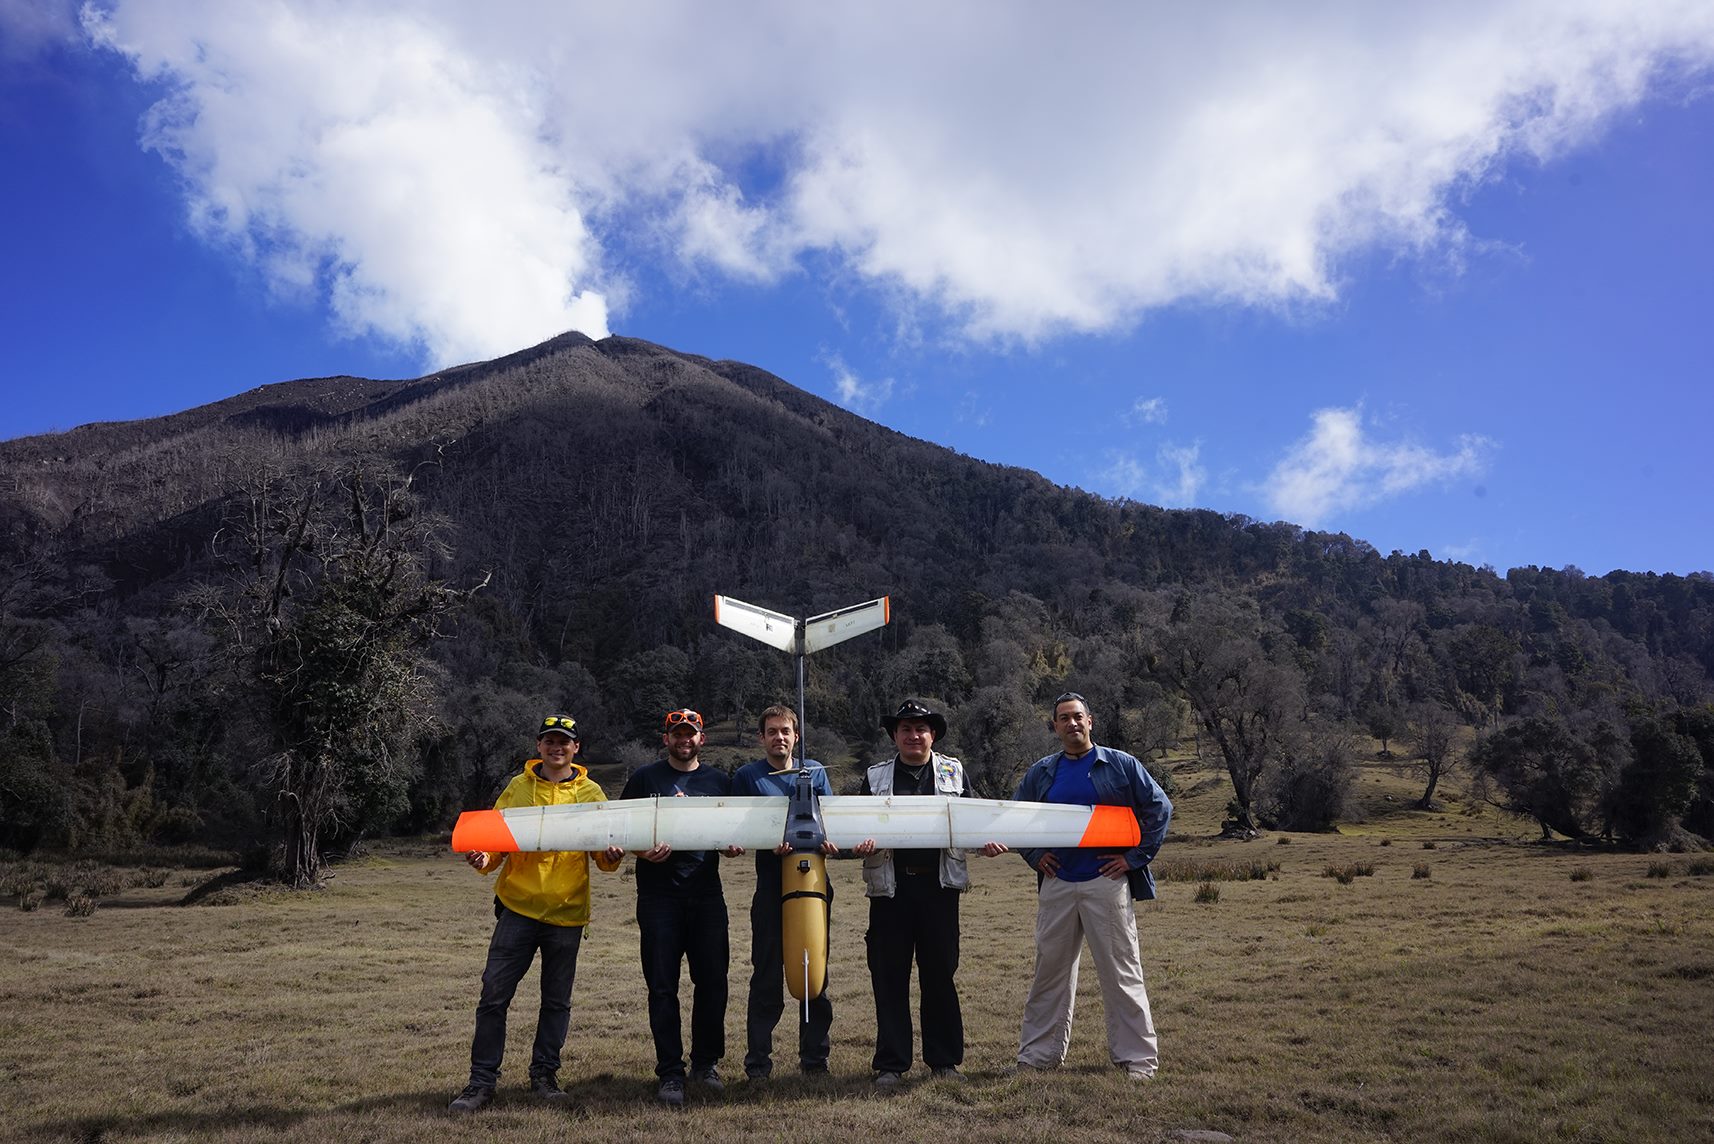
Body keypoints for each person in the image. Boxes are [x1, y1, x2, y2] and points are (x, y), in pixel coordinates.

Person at [449, 714, 625, 1113]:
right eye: (549, 741)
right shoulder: (518, 787)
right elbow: (494, 843)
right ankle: (481, 1083)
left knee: (556, 1001)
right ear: (539, 746)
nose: (556, 747)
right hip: (517, 909)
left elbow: (603, 856)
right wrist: (482, 858)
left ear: (576, 748)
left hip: (567, 913)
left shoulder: (592, 792)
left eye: (564, 741)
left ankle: (544, 1077)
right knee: (494, 996)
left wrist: (612, 856)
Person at [1012, 692, 1173, 1080]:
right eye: (1063, 718)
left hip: (1107, 882)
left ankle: (1137, 1061)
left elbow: (1159, 808)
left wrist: (1132, 859)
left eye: (1077, 717)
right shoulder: (1042, 772)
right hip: (1058, 884)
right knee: (1049, 973)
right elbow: (1015, 817)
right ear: (1054, 727)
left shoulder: (1120, 765)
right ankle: (1037, 1057)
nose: (1071, 724)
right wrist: (1035, 856)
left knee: (1121, 971)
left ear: (1090, 721)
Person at [853, 699, 1006, 1089]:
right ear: (894, 736)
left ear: (932, 734)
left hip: (939, 889)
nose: (913, 735)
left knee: (940, 974)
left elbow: (971, 824)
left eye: (921, 728)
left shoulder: (955, 772)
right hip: (889, 890)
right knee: (889, 978)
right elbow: (852, 829)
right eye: (905, 728)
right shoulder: (874, 778)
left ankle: (944, 1061)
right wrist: (858, 843)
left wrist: (984, 844)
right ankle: (891, 1063)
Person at [619, 708, 744, 1108]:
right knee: (662, 987)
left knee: (713, 983)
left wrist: (732, 845)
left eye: (690, 733)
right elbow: (622, 828)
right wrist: (643, 851)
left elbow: (734, 831)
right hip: (658, 898)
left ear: (701, 739)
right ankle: (670, 1072)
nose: (684, 739)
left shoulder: (718, 781)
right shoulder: (644, 778)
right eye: (677, 733)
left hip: (707, 895)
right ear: (666, 738)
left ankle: (706, 1065)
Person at [730, 704, 839, 1079]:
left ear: (796, 736)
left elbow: (829, 821)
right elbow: (736, 828)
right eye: (772, 731)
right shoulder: (747, 776)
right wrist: (764, 840)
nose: (779, 737)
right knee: (766, 974)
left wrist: (829, 843)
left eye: (786, 731)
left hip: (813, 886)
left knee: (815, 971)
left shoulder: (816, 772)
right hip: (770, 886)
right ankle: (758, 1064)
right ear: (762, 737)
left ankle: (815, 1060)